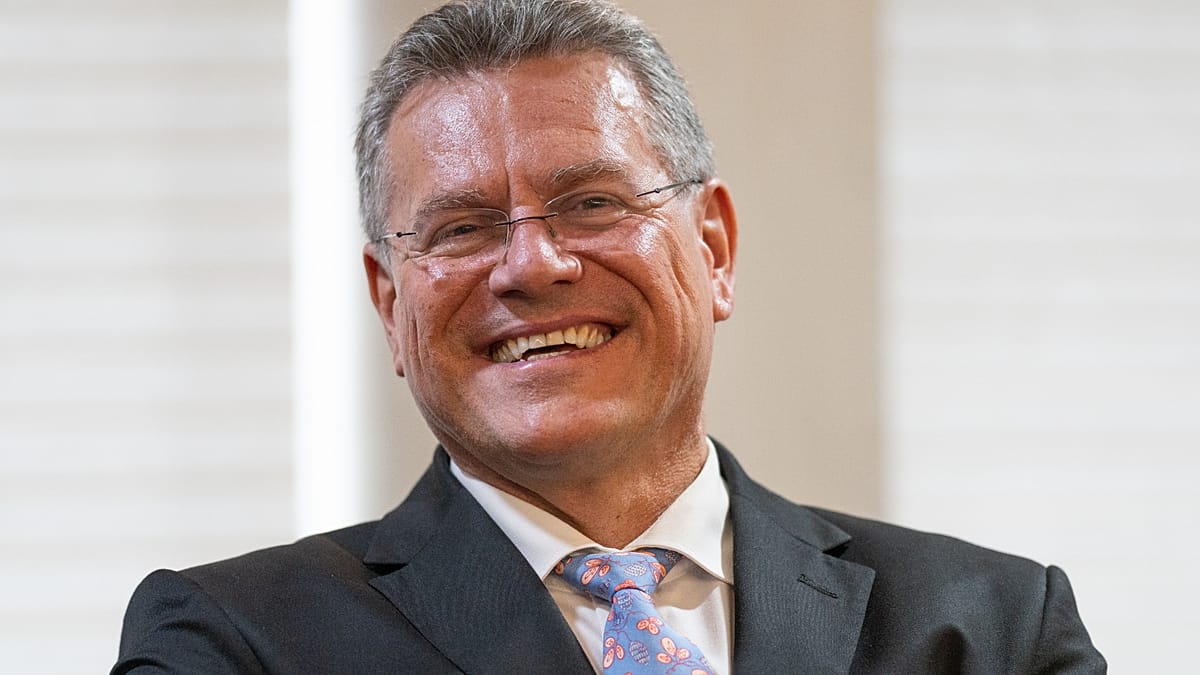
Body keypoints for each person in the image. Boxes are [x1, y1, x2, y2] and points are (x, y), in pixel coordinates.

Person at [112, 1, 1105, 672]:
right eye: (462, 228)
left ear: (714, 248)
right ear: (390, 307)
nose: (531, 264)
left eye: (591, 203)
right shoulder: (235, 645)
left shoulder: (995, 631)